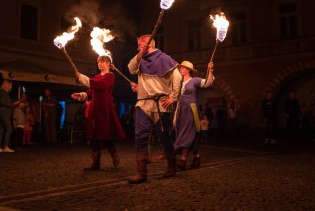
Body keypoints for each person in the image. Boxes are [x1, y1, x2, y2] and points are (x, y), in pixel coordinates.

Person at [127, 34, 182, 184]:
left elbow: (177, 78)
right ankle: (141, 173)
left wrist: (173, 97)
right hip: (143, 104)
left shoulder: (165, 59)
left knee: (164, 138)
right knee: (140, 136)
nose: (138, 47)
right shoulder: (140, 59)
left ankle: (172, 165)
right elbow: (131, 68)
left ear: (148, 44)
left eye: (139, 44)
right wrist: (140, 53)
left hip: (161, 105)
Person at [72, 55, 126, 170]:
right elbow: (91, 91)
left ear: (108, 64)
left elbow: (100, 85)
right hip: (94, 109)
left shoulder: (110, 76)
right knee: (93, 135)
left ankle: (114, 154)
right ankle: (96, 163)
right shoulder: (96, 77)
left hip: (104, 109)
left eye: (102, 62)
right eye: (99, 62)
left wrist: (82, 77)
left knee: (104, 134)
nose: (100, 64)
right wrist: (82, 95)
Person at [173, 60, 214, 170]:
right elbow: (176, 98)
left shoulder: (194, 80)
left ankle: (183, 160)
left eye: (182, 68)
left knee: (187, 133)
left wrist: (210, 70)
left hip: (191, 110)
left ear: (188, 70)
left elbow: (208, 83)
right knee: (186, 134)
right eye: (180, 67)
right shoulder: (180, 83)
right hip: (182, 110)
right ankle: (197, 157)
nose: (180, 69)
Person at [0, 80, 20, 153]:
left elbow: (4, 103)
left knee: (2, 130)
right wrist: (14, 104)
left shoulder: (3, 93)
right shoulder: (3, 93)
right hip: (4, 114)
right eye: (11, 86)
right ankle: (5, 146)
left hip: (3, 113)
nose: (11, 87)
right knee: (9, 129)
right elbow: (3, 103)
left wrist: (12, 104)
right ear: (7, 86)